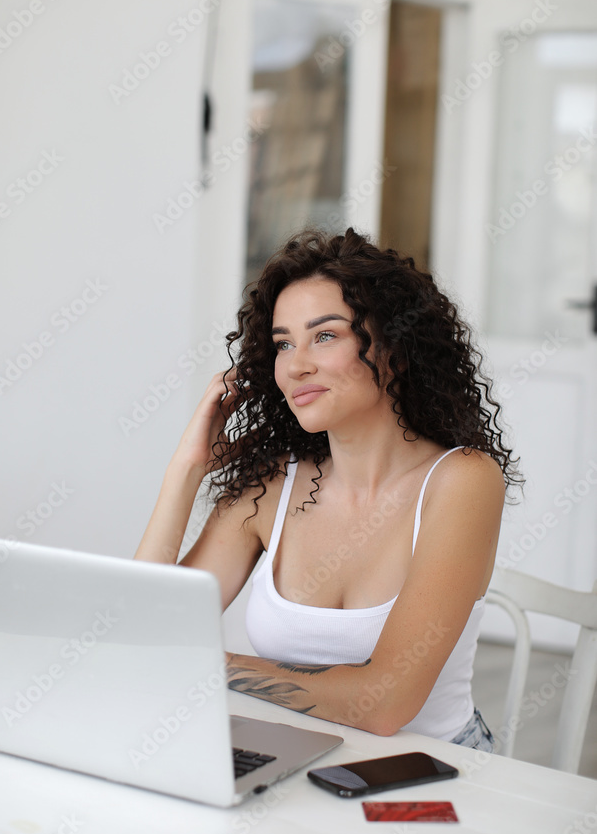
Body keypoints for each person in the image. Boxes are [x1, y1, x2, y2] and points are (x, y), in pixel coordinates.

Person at [135, 227, 521, 750]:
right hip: (296, 753)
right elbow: (142, 634)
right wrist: (185, 471)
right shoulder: (269, 487)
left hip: (432, 774)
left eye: (325, 335)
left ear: (396, 349)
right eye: (283, 344)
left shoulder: (462, 481)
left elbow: (384, 705)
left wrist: (210, 663)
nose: (297, 365)